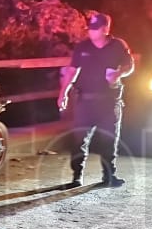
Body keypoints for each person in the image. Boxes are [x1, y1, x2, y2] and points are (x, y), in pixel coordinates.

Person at [57, 11, 135, 189]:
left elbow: (130, 65)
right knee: (79, 139)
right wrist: (63, 92)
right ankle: (76, 176)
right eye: (89, 29)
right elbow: (72, 71)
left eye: (95, 29)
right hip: (86, 101)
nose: (90, 32)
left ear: (105, 29)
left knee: (109, 139)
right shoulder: (82, 47)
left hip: (109, 102)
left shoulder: (118, 46)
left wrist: (119, 73)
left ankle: (109, 176)